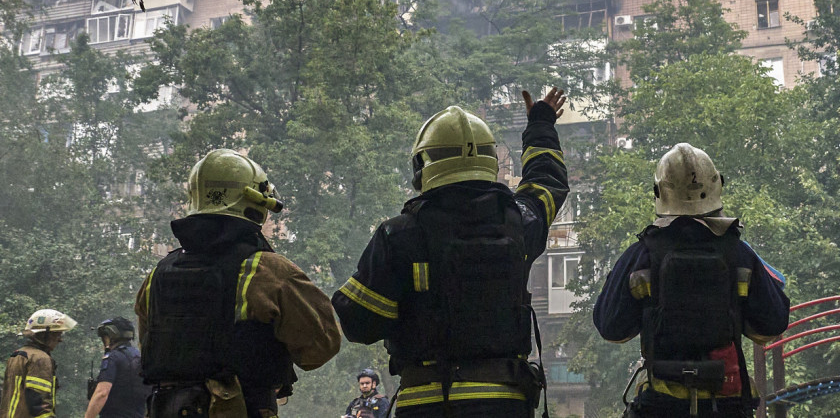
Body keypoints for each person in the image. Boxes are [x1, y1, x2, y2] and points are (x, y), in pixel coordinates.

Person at [333, 88, 569, 417]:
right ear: (489, 160)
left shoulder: (399, 235)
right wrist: (541, 124)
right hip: (506, 403)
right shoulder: (520, 222)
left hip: (427, 405)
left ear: (423, 163)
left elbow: (359, 323)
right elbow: (547, 182)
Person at [135, 148, 341, 418]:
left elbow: (149, 345)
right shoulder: (268, 271)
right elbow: (321, 346)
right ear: (253, 200)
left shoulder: (156, 276)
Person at [593, 143, 790, 417]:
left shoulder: (642, 255)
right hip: (727, 407)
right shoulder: (739, 254)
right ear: (717, 185)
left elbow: (611, 327)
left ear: (660, 191)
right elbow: (772, 326)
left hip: (660, 406)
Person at [2, 309, 77, 418]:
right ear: (44, 335)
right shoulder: (40, 359)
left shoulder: (18, 355)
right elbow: (39, 402)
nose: (60, 340)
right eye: (57, 334)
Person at [84, 317, 150, 418]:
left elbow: (102, 393)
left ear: (111, 336)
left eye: (104, 338)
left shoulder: (113, 357)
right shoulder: (140, 357)